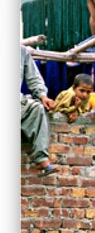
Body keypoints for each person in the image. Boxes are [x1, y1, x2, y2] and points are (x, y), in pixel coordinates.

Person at [20, 44, 58, 175]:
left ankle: (42, 159)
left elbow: (34, 79)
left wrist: (43, 96)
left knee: (37, 108)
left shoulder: (21, 51)